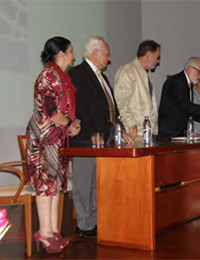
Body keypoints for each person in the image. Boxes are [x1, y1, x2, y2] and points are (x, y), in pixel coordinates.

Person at [69, 36, 133, 238]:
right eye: (106, 54)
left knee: (98, 184)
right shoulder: (78, 74)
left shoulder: (102, 77)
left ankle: (95, 222)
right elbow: (78, 109)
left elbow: (110, 110)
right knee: (84, 184)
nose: (109, 58)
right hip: (86, 141)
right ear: (95, 53)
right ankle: (84, 225)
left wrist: (119, 132)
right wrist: (89, 136)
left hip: (104, 141)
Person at [26, 36, 80, 253]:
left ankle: (54, 231)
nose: (74, 55)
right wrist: (69, 123)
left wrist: (72, 125)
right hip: (44, 138)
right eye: (71, 51)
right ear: (61, 54)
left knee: (57, 184)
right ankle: (44, 233)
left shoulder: (62, 76)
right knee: (45, 183)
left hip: (58, 138)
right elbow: (51, 111)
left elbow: (63, 113)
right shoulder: (49, 76)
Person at [157, 57, 200, 140]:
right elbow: (184, 105)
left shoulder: (186, 82)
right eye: (199, 72)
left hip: (177, 132)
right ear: (189, 68)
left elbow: (184, 110)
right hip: (170, 133)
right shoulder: (177, 81)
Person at [114, 40, 161, 138]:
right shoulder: (127, 71)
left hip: (147, 132)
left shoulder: (146, 74)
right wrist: (130, 123)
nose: (158, 61)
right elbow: (121, 101)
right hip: (135, 133)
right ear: (148, 55)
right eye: (157, 57)